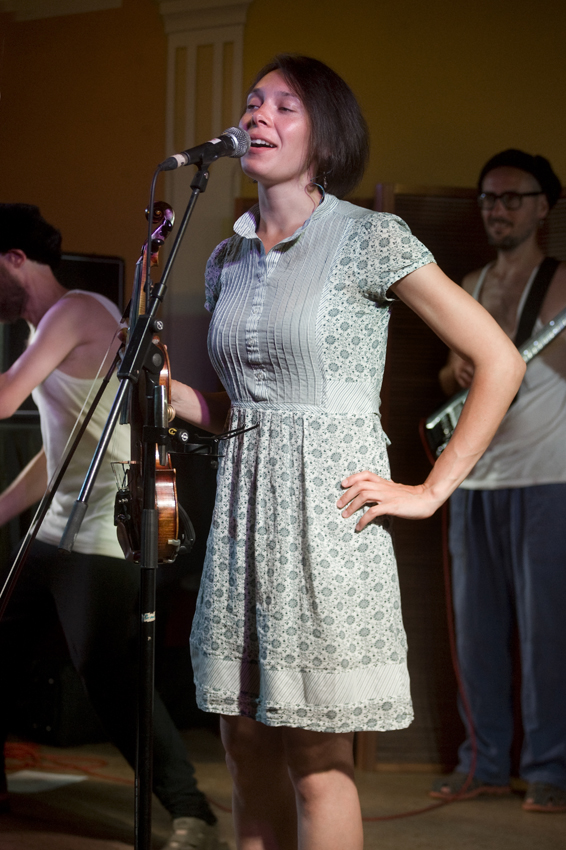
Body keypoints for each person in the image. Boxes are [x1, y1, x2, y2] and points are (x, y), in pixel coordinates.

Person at [169, 54, 525, 849]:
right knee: (245, 745)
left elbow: (500, 361)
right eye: (253, 102)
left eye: (284, 106)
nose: (257, 116)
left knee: (317, 761)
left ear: (325, 138)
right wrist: (175, 398)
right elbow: (242, 410)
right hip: (242, 521)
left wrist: (430, 489)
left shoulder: (370, 238)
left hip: (327, 522)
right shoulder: (227, 260)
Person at [0, 204, 224, 850]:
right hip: (56, 532)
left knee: (110, 680)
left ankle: (193, 812)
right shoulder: (47, 327)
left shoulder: (76, 311)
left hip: (102, 535)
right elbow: (62, 450)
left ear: (15, 259)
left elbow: (5, 400)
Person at [430, 150, 566, 813]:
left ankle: (549, 770)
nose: (498, 210)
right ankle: (481, 765)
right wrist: (456, 371)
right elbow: (447, 372)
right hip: (474, 479)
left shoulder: (562, 283)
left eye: (513, 198)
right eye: (489, 198)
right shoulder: (471, 283)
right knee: (475, 636)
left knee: (547, 636)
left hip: (547, 477)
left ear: (544, 208)